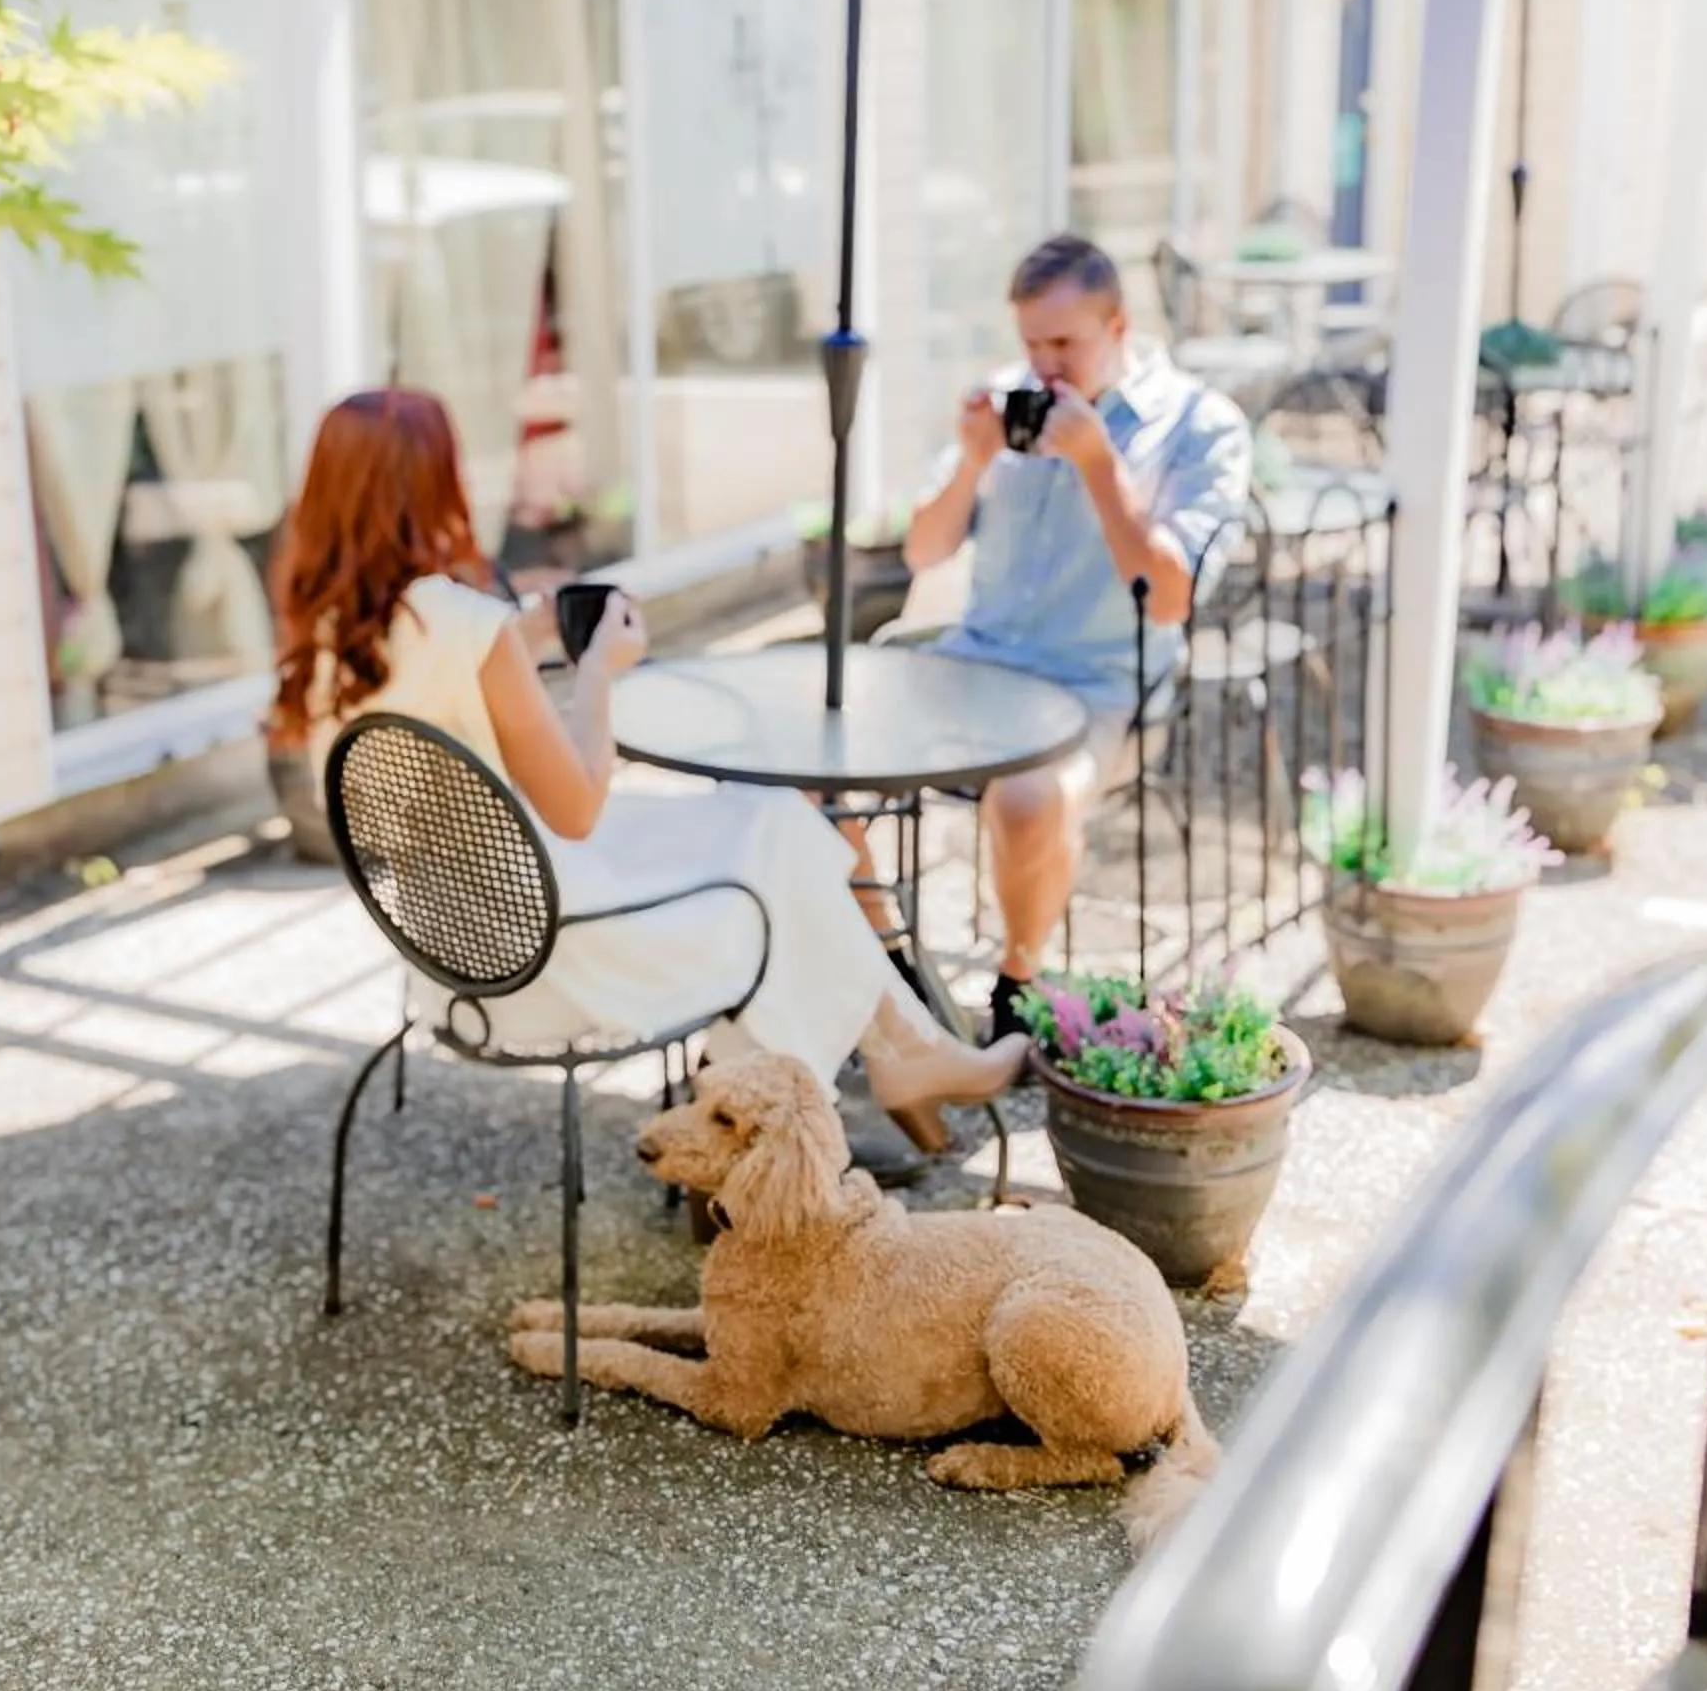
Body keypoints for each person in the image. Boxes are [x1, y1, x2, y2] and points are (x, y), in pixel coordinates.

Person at [270, 390, 1025, 1147]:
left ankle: (894, 1056)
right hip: (557, 952)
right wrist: (598, 669)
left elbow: (447, 700)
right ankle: (840, 1090)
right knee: (776, 869)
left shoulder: (329, 629)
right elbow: (576, 809)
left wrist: (523, 638)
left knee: (771, 824)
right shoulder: (467, 627)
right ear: (437, 485)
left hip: (452, 947)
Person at [903, 233, 1250, 1040]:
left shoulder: (1199, 427)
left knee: (1026, 799)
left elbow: (1170, 599)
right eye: (1030, 344)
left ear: (1119, 324)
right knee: (822, 770)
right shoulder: (1004, 397)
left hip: (1098, 686)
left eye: (1064, 343)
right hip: (976, 666)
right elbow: (921, 551)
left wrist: (1101, 465)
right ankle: (891, 969)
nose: (1044, 367)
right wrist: (970, 462)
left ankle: (1016, 984)